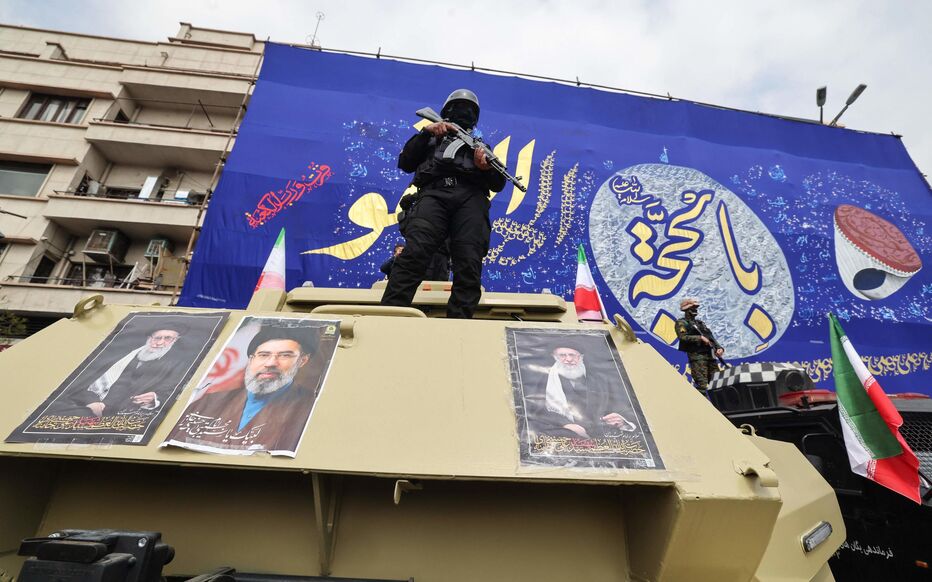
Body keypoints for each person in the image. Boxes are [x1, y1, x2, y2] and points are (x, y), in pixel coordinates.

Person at [380, 89, 506, 318]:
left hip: (471, 200)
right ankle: (390, 317)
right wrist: (425, 133)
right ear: (447, 112)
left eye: (468, 109)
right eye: (459, 107)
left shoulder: (481, 146)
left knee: (469, 261)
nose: (463, 112)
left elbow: (499, 183)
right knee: (415, 253)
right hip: (433, 194)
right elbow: (405, 162)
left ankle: (459, 324)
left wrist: (485, 167)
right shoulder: (429, 136)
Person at [178, 325, 319, 452]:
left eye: (284, 356)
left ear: (302, 360)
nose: (270, 363)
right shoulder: (207, 402)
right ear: (251, 359)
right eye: (263, 355)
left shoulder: (312, 407)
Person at [62, 323, 189, 417]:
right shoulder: (123, 357)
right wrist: (93, 402)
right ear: (149, 340)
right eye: (157, 338)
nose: (160, 343)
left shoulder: (177, 365)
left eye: (167, 338)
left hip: (125, 415)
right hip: (88, 407)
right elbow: (85, 384)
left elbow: (171, 391)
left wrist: (155, 398)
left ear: (175, 342)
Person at [526, 341, 636, 439]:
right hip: (560, 432)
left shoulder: (599, 380)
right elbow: (535, 410)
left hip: (598, 436)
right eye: (562, 355)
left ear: (580, 357)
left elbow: (619, 405)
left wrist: (620, 419)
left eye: (572, 355)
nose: (568, 359)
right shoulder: (543, 379)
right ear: (555, 357)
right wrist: (565, 424)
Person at [675, 298, 724, 391]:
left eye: (696, 308)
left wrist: (719, 348)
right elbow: (683, 337)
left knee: (718, 383)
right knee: (702, 386)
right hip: (697, 358)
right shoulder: (682, 323)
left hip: (710, 356)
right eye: (693, 308)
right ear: (687, 310)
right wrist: (699, 338)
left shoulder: (700, 323)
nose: (695, 310)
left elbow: (710, 337)